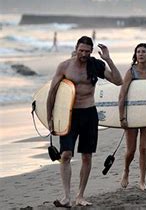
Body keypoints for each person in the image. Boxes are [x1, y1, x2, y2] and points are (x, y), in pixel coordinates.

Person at [46, 36, 122, 207]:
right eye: (81, 50)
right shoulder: (65, 66)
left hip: (89, 113)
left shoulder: (95, 65)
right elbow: (52, 93)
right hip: (69, 115)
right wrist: (50, 118)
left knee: (86, 156)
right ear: (76, 48)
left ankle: (80, 196)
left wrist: (108, 59)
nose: (84, 54)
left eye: (87, 51)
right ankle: (66, 197)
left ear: (91, 52)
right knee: (65, 155)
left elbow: (118, 81)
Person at [119, 43, 146, 191]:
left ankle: (142, 181)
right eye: (138, 52)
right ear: (135, 55)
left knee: (143, 148)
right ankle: (126, 171)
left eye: (144, 52)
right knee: (131, 150)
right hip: (132, 114)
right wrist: (121, 117)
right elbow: (122, 94)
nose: (141, 54)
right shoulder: (131, 72)